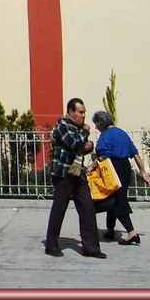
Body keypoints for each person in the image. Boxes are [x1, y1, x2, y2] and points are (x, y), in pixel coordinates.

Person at [44, 98, 106, 258]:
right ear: (71, 111)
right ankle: (51, 245)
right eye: (80, 112)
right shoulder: (63, 125)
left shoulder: (76, 128)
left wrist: (89, 145)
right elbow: (73, 143)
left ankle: (91, 247)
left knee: (87, 208)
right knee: (59, 209)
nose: (83, 115)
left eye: (84, 112)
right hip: (63, 174)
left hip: (78, 173)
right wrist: (85, 133)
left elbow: (78, 149)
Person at [91, 110, 150, 245]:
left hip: (113, 168)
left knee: (117, 201)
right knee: (116, 197)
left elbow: (105, 154)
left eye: (96, 125)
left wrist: (93, 164)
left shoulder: (105, 136)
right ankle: (110, 229)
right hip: (125, 168)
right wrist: (143, 173)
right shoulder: (122, 133)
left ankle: (131, 233)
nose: (96, 128)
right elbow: (135, 154)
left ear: (101, 123)